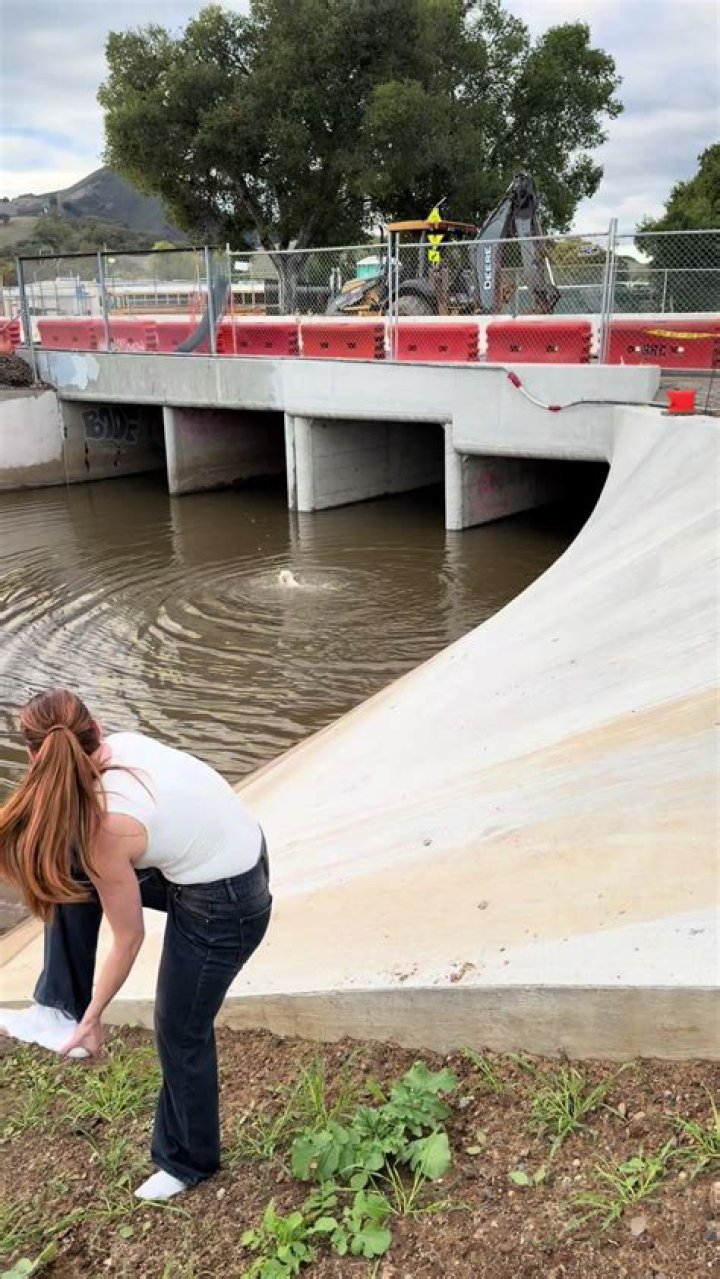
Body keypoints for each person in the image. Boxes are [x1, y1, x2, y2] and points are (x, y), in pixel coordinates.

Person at [0, 688, 272, 1201]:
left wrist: (96, 1017)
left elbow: (128, 939)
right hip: (238, 855)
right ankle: (56, 1008)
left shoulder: (104, 826)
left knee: (180, 1027)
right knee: (69, 861)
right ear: (97, 729)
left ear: (35, 757)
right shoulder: (122, 747)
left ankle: (188, 1162)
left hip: (228, 905)